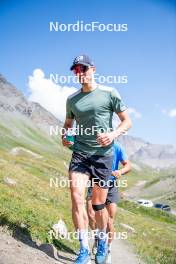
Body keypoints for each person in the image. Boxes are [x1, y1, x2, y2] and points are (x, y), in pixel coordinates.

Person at [62, 54, 132, 264]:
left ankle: (101, 242)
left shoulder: (110, 93)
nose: (80, 73)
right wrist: (65, 137)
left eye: (83, 69)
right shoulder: (72, 99)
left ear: (93, 69)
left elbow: (127, 122)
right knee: (76, 197)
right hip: (80, 153)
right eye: (76, 70)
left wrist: (112, 135)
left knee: (98, 205)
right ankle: (83, 249)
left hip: (103, 156)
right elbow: (67, 125)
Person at [87, 142, 131, 264]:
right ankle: (98, 238)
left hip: (111, 185)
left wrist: (120, 172)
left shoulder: (117, 147)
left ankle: (108, 249)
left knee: (110, 220)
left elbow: (128, 165)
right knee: (91, 214)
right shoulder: (92, 143)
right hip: (95, 182)